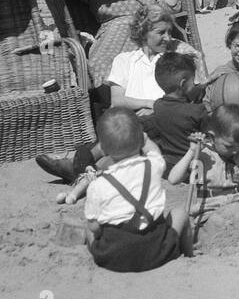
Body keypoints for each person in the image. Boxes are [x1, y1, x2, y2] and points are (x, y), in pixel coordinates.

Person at [34, 6, 205, 183]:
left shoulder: (174, 61)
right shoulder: (124, 60)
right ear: (144, 31)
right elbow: (117, 101)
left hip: (165, 122)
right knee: (123, 126)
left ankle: (79, 166)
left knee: (133, 128)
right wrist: (151, 104)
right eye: (161, 32)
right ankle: (86, 170)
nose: (168, 38)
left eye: (169, 32)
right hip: (133, 121)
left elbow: (192, 94)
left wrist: (159, 109)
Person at [79, 108, 194, 273]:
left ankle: (100, 258)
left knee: (89, 228)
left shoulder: (98, 185)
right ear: (142, 140)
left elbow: (95, 228)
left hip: (115, 258)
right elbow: (154, 152)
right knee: (180, 213)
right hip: (158, 252)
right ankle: (188, 256)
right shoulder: (153, 166)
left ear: (103, 149)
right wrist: (146, 140)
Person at [196, 104, 239, 206]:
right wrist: (191, 153)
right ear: (212, 137)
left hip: (236, 208)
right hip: (209, 211)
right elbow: (174, 179)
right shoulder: (203, 156)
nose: (235, 151)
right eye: (229, 146)